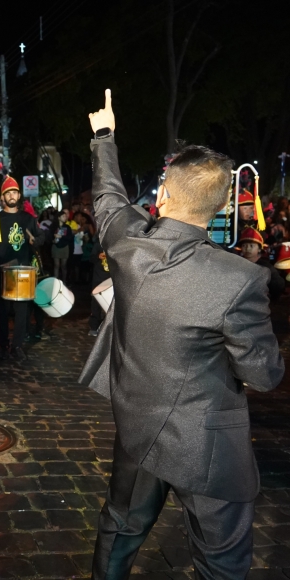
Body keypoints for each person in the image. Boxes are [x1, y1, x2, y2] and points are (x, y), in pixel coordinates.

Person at [80, 90, 284, 579]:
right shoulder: (242, 280)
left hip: (137, 430)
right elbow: (264, 374)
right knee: (220, 563)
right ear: (218, 207)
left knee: (121, 529)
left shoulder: (129, 246)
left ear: (164, 195)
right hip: (207, 446)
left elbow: (109, 197)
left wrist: (104, 135)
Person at [0, 176, 44, 360]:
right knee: (3, 310)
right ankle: (4, 343)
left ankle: (17, 346)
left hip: (22, 270)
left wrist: (37, 241)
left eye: (14, 192)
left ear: (19, 195)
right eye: (8, 193)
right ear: (2, 198)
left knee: (22, 311)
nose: (12, 196)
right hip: (1, 270)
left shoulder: (28, 219)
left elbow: (41, 237)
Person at [238, 226, 285, 301]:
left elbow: (278, 285)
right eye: (244, 245)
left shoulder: (266, 267)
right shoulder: (237, 263)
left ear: (259, 249)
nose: (247, 248)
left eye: (251, 246)